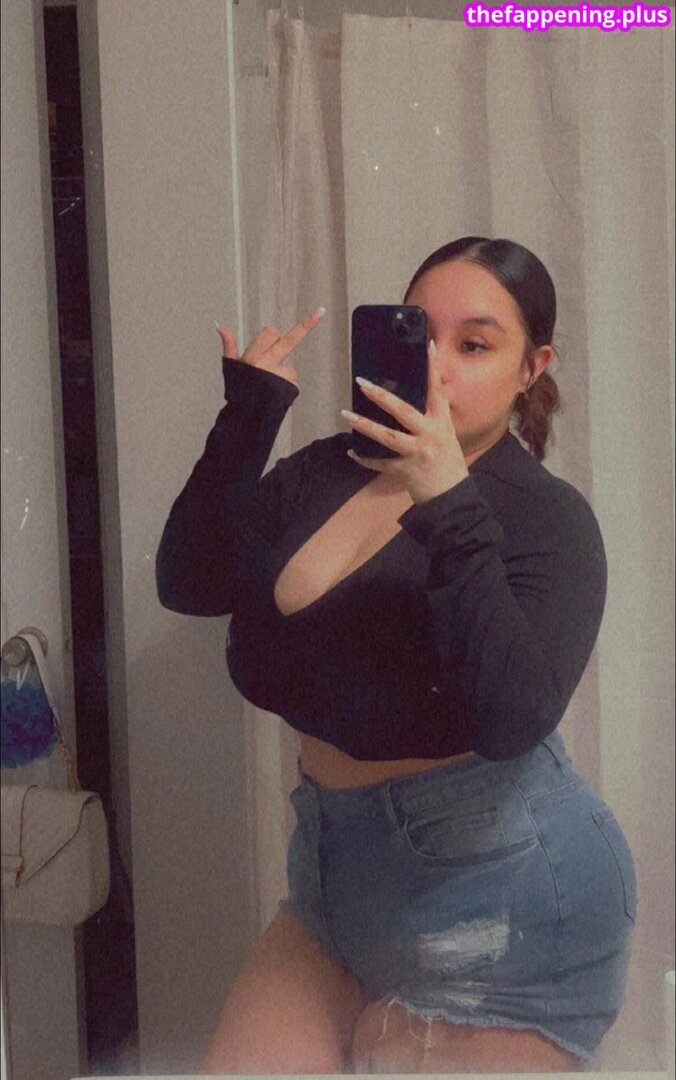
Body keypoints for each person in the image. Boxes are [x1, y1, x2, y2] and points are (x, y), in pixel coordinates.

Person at [156, 237, 636, 1074]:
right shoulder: (322, 474)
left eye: (475, 345)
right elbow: (192, 583)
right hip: (334, 886)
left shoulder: (549, 520)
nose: (437, 367)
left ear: (531, 368)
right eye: (420, 333)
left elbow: (512, 717)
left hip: (504, 901)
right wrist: (249, 416)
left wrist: (447, 498)